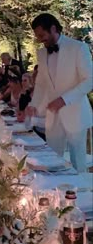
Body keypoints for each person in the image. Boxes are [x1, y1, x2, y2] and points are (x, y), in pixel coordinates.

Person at [26, 13, 92, 172]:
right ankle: (55, 195)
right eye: (37, 36)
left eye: (42, 35)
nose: (40, 39)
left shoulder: (78, 47)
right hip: (53, 117)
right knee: (52, 162)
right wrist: (33, 105)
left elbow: (89, 80)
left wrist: (64, 99)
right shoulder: (41, 53)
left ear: (53, 28)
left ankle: (80, 195)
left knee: (78, 164)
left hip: (75, 114)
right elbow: (41, 84)